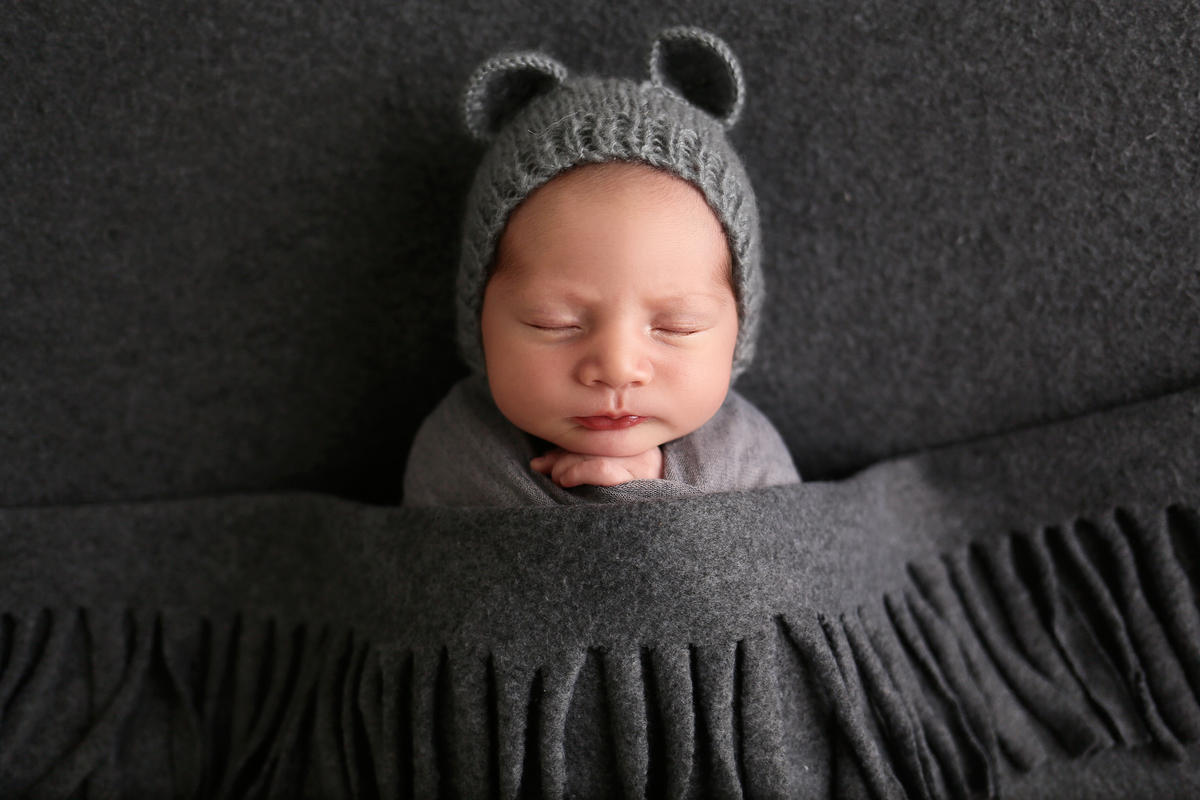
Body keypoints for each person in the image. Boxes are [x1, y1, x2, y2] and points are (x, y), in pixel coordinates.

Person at [403, 27, 800, 507]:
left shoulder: (745, 451)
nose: (617, 368)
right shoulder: (460, 447)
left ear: (737, 331)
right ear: (479, 320)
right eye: (554, 323)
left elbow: (787, 548)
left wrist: (652, 494)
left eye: (678, 326)